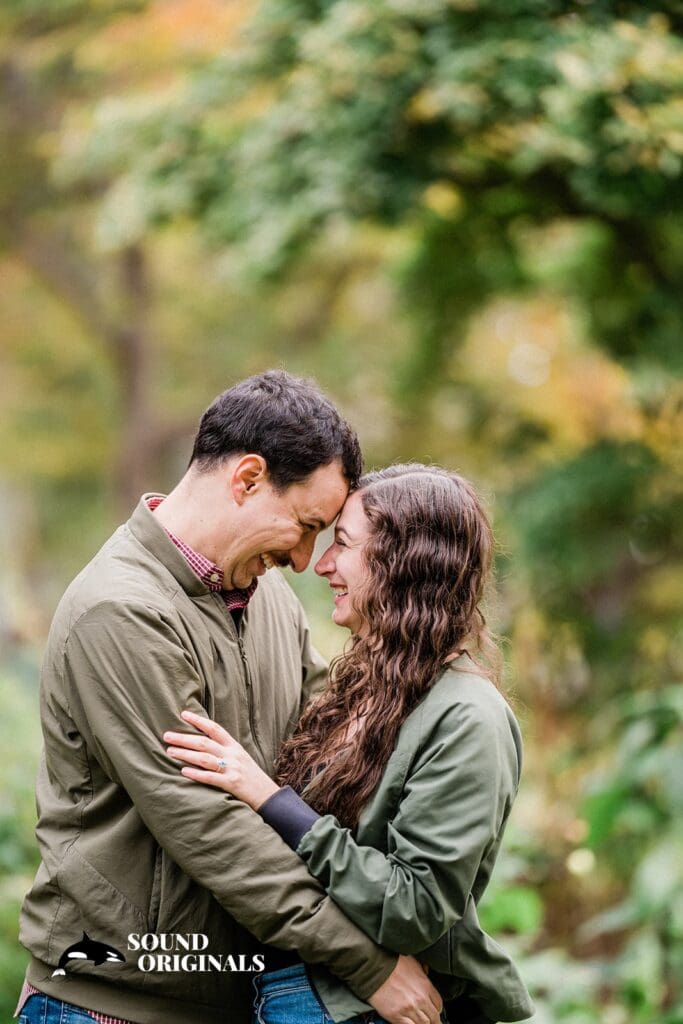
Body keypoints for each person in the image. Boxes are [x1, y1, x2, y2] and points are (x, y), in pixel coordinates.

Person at [17, 374, 443, 1024]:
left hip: (234, 995)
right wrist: (370, 964)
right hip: (111, 1005)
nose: (305, 559)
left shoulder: (267, 598)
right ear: (246, 479)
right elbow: (208, 825)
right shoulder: (122, 612)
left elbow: (329, 748)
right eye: (304, 527)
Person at [164, 464, 536, 1024]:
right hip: (293, 989)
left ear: (404, 565)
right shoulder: (365, 689)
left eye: (342, 544)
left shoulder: (468, 718)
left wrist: (271, 801)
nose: (322, 565)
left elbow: (415, 907)